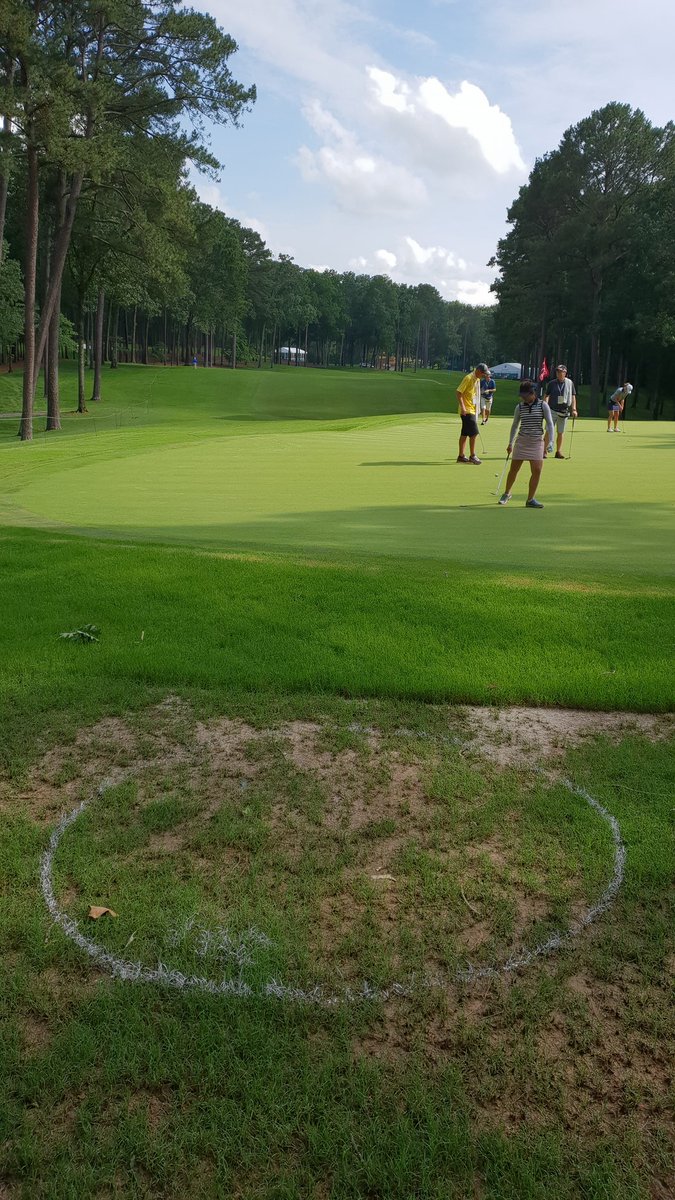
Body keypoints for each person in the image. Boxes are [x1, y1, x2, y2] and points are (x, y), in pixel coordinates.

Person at [498, 379, 554, 508]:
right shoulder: (520, 407)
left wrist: (550, 440)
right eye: (521, 396)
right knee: (514, 470)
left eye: (525, 396)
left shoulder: (542, 405)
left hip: (536, 442)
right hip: (522, 441)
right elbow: (515, 425)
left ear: (532, 393)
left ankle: (530, 499)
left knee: (537, 470)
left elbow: (550, 424)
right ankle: (507, 493)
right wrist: (510, 443)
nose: (523, 398)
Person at [456, 363, 489, 464]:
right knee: (474, 433)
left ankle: (461, 456)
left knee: (464, 433)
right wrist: (463, 407)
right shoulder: (468, 378)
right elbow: (458, 392)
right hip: (466, 410)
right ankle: (472, 456)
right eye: (483, 373)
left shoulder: (477, 379)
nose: (484, 375)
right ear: (478, 371)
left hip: (472, 409)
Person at [545, 363, 577, 458]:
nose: (559, 373)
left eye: (561, 372)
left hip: (564, 411)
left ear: (565, 373)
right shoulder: (551, 383)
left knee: (560, 432)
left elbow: (573, 396)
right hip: (552, 410)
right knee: (548, 431)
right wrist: (545, 406)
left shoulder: (569, 383)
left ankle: (558, 451)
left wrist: (574, 409)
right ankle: (543, 451)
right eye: (557, 372)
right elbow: (546, 396)